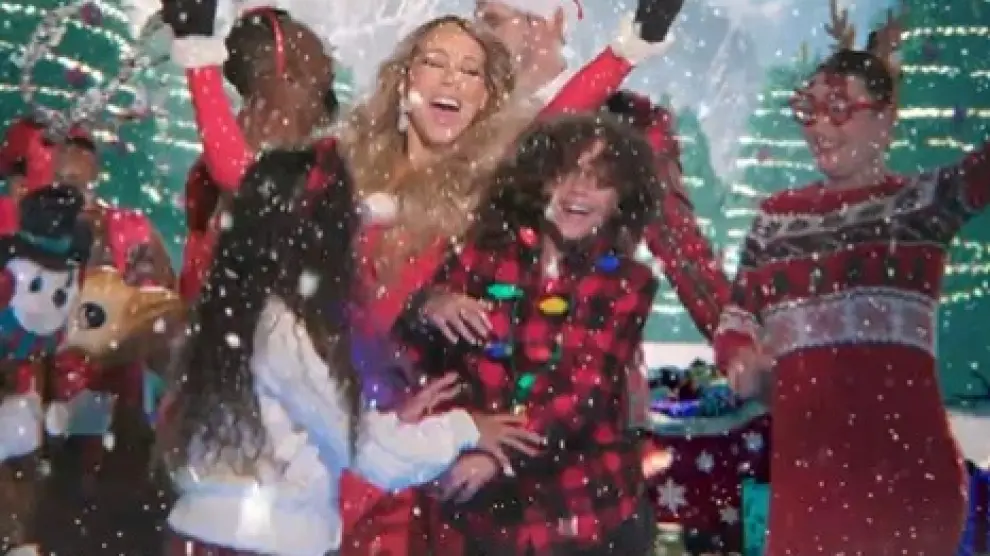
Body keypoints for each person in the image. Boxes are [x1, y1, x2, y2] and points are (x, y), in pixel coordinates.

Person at [158, 148, 542, 556]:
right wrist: (465, 428)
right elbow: (370, 453)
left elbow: (312, 426)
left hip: (210, 534)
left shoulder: (236, 309)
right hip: (258, 542)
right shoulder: (280, 330)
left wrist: (391, 422)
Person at [713, 7, 988, 554]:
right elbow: (736, 319)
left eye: (838, 109)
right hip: (807, 492)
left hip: (909, 488)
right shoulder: (775, 219)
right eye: (808, 110)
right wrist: (741, 359)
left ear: (885, 118)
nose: (818, 127)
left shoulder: (920, 204)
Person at [400, 114, 664, 555]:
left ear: (621, 199)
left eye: (599, 180)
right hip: (485, 517)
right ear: (539, 181)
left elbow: (579, 390)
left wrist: (494, 452)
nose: (578, 190)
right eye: (565, 173)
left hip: (586, 516)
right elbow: (408, 350)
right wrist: (427, 304)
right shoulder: (477, 257)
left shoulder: (627, 282)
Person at [159, 0, 338, 300]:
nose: (328, 52)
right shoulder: (266, 149)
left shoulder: (305, 149)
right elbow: (245, 181)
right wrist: (198, 55)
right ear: (290, 75)